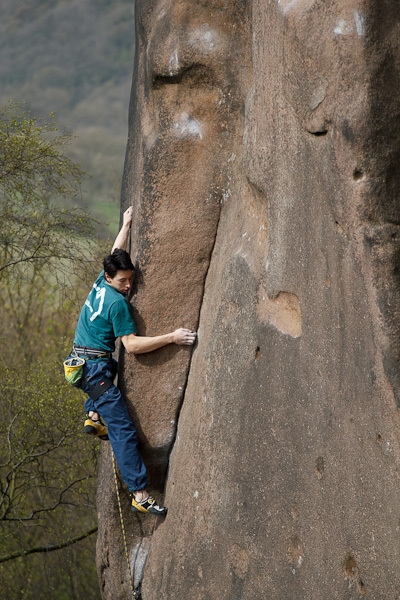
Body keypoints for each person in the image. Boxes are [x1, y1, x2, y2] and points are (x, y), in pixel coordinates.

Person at [69, 206, 196, 515]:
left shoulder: (102, 281)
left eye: (130, 280)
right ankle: (139, 494)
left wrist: (126, 225)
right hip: (95, 371)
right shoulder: (117, 305)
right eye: (124, 281)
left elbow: (116, 250)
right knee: (123, 432)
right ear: (112, 277)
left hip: (80, 362)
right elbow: (133, 346)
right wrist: (172, 338)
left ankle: (93, 416)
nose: (128, 286)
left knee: (103, 386)